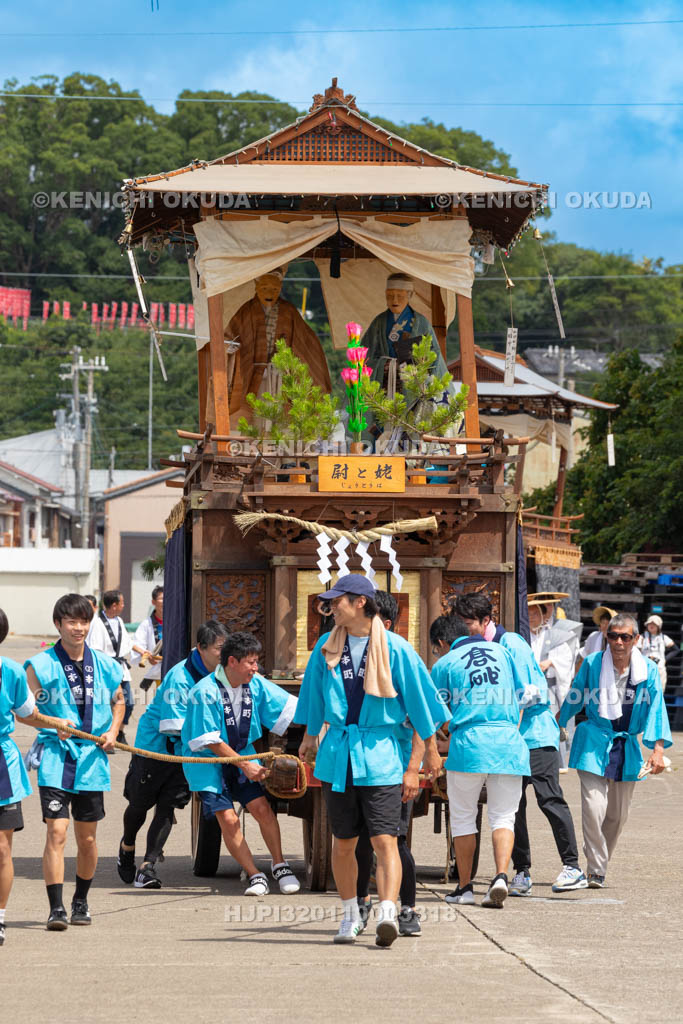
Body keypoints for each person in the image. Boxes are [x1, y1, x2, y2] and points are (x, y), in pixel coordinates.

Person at [295, 574, 445, 947]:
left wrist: (423, 757)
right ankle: (350, 914)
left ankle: (389, 912)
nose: (330, 607)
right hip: (338, 755)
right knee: (343, 841)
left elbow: (420, 706)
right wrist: (308, 739)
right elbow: (313, 700)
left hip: (380, 757)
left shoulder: (396, 649)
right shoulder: (325, 649)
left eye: (337, 601)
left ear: (360, 602)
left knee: (384, 839)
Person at [452, 592, 587, 895]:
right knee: (514, 808)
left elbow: (534, 690)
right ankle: (521, 871)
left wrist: (504, 713)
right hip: (507, 741)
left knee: (549, 799)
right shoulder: (476, 647)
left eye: (469, 623)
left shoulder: (510, 642)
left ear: (486, 620)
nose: (464, 629)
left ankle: (572, 866)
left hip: (534, 735)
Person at [22, 593, 125, 930]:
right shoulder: (41, 664)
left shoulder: (107, 665)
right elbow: (26, 712)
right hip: (56, 757)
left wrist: (113, 731)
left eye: (83, 621)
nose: (78, 628)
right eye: (71, 621)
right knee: (56, 833)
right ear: (58, 624)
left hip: (92, 760)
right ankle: (56, 909)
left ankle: (81, 900)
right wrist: (53, 723)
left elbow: (119, 701)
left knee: (89, 840)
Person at [181, 631, 300, 896]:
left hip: (243, 753)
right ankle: (255, 874)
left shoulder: (254, 683)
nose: (255, 668)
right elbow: (211, 741)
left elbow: (289, 707)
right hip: (207, 761)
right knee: (228, 818)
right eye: (251, 662)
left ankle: (280, 865)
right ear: (232, 662)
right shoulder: (204, 691)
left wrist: (322, 720)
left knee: (262, 808)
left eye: (256, 661)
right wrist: (245, 766)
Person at [559, 612, 672, 887]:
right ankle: (596, 869)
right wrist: (558, 722)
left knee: (617, 816)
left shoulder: (647, 671)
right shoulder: (593, 663)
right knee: (593, 807)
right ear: (606, 637)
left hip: (626, 744)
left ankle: (598, 859)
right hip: (594, 740)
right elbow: (576, 694)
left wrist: (657, 750)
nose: (618, 642)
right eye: (613, 636)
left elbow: (657, 709)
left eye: (624, 636)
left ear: (636, 639)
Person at [118, 620, 229, 889]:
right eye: (219, 649)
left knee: (168, 807)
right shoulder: (179, 678)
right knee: (140, 805)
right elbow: (176, 728)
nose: (223, 655)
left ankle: (148, 867)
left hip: (188, 753)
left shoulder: (224, 672)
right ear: (201, 648)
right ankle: (127, 845)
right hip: (156, 747)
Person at [432, 614, 529, 909]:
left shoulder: (445, 663)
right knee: (503, 817)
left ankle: (465, 888)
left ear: (441, 642)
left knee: (463, 819)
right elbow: (523, 694)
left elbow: (433, 712)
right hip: (509, 745)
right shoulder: (503, 650)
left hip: (469, 747)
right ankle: (500, 876)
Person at [355, 590, 425, 938]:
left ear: (382, 623)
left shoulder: (401, 655)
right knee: (356, 841)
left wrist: (413, 769)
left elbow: (421, 721)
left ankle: (408, 909)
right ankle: (359, 903)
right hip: (356, 764)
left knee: (394, 842)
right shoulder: (350, 653)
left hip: (393, 767)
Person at [216, 267, 332, 426]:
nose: (270, 293)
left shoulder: (288, 311)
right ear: (256, 288)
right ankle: (255, 440)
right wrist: (229, 347)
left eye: (274, 289)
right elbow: (228, 335)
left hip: (280, 374)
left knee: (281, 412)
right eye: (264, 288)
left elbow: (306, 341)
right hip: (252, 373)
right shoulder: (247, 310)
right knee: (255, 413)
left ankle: (278, 442)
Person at [0, 608, 38, 945]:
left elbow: (28, 712)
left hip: (3, 769)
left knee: (2, 849)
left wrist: (59, 725)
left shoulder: (11, 671)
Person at [86, 589, 148, 744]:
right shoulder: (97, 622)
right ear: (114, 605)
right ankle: (107, 735)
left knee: (129, 703)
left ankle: (119, 731)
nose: (123, 605)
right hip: (106, 669)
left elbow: (127, 642)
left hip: (120, 668)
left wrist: (142, 652)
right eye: (122, 603)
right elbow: (95, 649)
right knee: (107, 704)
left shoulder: (119, 621)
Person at [528, 593, 582, 768]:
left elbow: (567, 658)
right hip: (527, 688)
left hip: (548, 687)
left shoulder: (557, 634)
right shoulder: (523, 635)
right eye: (528, 613)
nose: (531, 617)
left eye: (535, 614)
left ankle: (553, 761)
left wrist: (551, 662)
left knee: (551, 723)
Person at [131, 586, 164, 693]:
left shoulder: (177, 621)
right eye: (161, 598)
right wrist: (148, 655)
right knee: (161, 701)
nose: (164, 601)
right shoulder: (147, 624)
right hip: (159, 669)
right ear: (153, 602)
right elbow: (136, 643)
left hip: (176, 668)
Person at [575, 606, 615, 675]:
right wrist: (576, 677)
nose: (605, 627)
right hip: (593, 674)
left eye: (608, 624)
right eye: (603, 623)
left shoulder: (618, 640)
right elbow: (583, 658)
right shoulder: (593, 636)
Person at [640, 614, 676, 690]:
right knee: (642, 692)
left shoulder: (663, 637)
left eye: (654, 624)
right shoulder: (642, 637)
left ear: (659, 626)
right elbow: (634, 650)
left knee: (659, 691)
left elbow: (676, 649)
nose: (651, 626)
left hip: (659, 668)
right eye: (649, 624)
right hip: (644, 669)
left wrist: (665, 659)